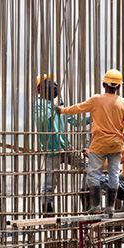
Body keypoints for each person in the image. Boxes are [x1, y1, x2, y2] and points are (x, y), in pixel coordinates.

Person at [57, 69, 124, 213]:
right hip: (116, 145)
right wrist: (117, 125)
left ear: (104, 84)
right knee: (114, 174)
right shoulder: (123, 102)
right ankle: (110, 207)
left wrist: (62, 111)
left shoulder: (96, 100)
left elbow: (78, 108)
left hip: (99, 144)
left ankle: (96, 206)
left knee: (94, 174)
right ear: (118, 86)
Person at [33, 73, 87, 214]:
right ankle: (47, 209)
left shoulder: (57, 105)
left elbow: (74, 121)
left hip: (66, 148)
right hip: (52, 150)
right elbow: (41, 121)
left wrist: (92, 118)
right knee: (50, 182)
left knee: (88, 168)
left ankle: (86, 195)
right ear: (40, 89)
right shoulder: (39, 105)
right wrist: (54, 107)